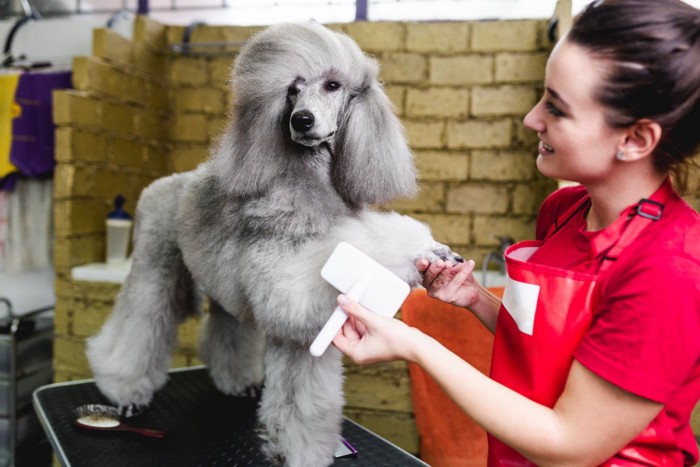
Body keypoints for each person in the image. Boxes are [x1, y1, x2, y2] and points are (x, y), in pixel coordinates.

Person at [332, 0, 700, 465]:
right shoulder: (565, 210)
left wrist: (415, 346)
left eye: (557, 108)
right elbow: (546, 346)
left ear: (635, 140)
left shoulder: (669, 272)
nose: (532, 119)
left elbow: (570, 445)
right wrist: (476, 300)